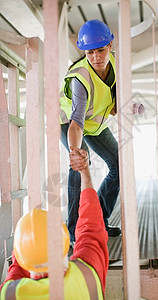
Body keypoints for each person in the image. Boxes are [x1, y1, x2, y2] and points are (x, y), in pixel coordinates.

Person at [0, 148, 109, 299]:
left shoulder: (10, 293)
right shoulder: (87, 275)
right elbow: (91, 227)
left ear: (19, 255)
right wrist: (84, 171)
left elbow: (16, 271)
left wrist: (27, 241)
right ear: (64, 243)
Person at [59, 19, 121, 243]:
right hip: (68, 122)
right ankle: (76, 230)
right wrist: (75, 152)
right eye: (90, 52)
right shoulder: (80, 78)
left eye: (101, 50)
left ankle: (98, 221)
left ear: (110, 46)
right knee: (80, 165)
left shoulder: (115, 64)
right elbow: (76, 121)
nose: (96, 57)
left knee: (119, 165)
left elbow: (115, 104)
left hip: (95, 125)